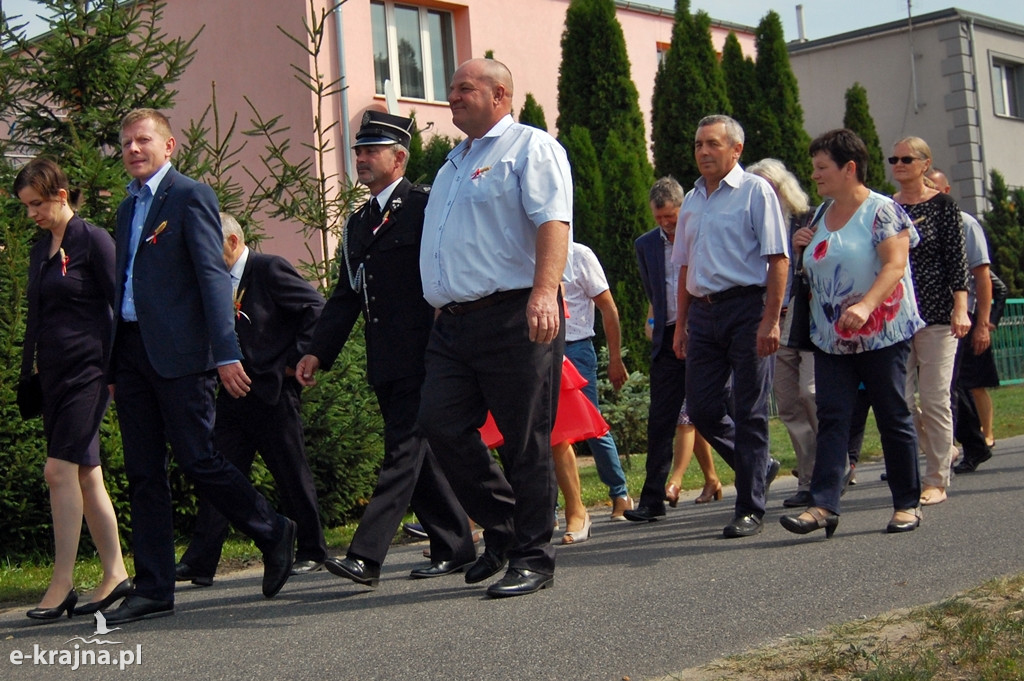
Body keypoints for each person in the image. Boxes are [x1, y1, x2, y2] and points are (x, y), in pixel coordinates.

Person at [105, 109, 296, 625]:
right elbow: (122, 287)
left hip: (182, 355)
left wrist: (226, 349)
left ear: (169, 147)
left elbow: (214, 278)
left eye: (143, 140)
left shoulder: (191, 196)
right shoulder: (127, 208)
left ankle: (272, 530)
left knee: (198, 459)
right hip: (131, 352)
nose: (133, 150)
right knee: (144, 473)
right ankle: (153, 588)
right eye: (126, 143)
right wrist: (112, 366)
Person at [296, 111, 475, 588]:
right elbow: (347, 294)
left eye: (371, 150)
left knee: (402, 451)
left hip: (428, 354)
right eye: (357, 151)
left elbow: (449, 274)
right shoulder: (359, 222)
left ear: (399, 157)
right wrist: (319, 352)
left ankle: (365, 555)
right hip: (386, 359)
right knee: (420, 457)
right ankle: (455, 545)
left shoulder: (425, 206)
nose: (361, 158)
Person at [417, 58, 572, 598]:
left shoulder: (531, 148)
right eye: (452, 87)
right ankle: (505, 531)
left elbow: (554, 222)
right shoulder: (452, 163)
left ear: (500, 94)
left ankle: (534, 557)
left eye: (465, 88)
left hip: (514, 315)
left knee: (524, 442)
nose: (452, 96)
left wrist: (545, 292)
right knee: (438, 425)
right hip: (454, 325)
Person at [779, 128, 925, 539]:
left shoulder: (882, 211)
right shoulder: (821, 214)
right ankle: (823, 505)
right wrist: (802, 245)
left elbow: (895, 266)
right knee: (833, 419)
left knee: (893, 415)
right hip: (831, 339)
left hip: (882, 332)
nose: (815, 175)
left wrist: (865, 305)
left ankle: (906, 504)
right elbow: (816, 268)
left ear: (850, 168)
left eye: (822, 168)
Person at [175, 214, 328, 586]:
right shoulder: (213, 283)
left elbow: (316, 306)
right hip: (233, 391)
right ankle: (201, 560)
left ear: (231, 242)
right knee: (221, 476)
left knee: (291, 471)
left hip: (272, 392)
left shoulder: (267, 268)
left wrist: (295, 360)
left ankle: (311, 549)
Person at [15, 159, 132, 621]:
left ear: (61, 195)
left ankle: (62, 583)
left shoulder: (93, 240)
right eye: (27, 207)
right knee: (86, 474)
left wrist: (118, 372)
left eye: (38, 204)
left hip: (90, 372)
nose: (32, 215)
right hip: (55, 377)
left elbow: (120, 306)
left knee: (57, 472)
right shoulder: (41, 247)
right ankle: (116, 573)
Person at [670, 116, 788, 538]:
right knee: (701, 407)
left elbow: (778, 258)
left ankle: (749, 507)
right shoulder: (693, 199)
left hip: (746, 308)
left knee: (750, 409)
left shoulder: (755, 192)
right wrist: (680, 325)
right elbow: (684, 266)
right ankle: (758, 465)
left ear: (736, 150)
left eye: (713, 144)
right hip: (703, 313)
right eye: (699, 144)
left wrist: (771, 319)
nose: (703, 152)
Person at [629, 177, 723, 523]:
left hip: (701, 333)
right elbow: (652, 290)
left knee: (711, 409)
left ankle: (755, 465)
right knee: (661, 420)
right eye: (660, 218)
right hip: (667, 338)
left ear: (683, 209)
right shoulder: (646, 245)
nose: (667, 224)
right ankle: (651, 500)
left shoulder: (700, 234)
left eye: (672, 216)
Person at [891, 138, 970, 505]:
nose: (899, 164)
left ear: (925, 164)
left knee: (936, 398)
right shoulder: (887, 207)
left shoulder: (943, 206)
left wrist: (961, 307)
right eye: (894, 159)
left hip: (937, 313)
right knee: (899, 400)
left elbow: (957, 259)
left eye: (907, 158)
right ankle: (943, 448)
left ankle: (936, 478)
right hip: (898, 316)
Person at [747, 159, 817, 509]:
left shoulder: (810, 220)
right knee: (788, 404)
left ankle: (832, 468)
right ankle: (808, 480)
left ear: (783, 188)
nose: (763, 195)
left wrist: (808, 246)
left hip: (808, 320)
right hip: (771, 321)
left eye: (769, 187)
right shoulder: (748, 225)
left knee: (812, 394)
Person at [926, 168, 998, 473]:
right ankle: (971, 445)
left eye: (931, 186)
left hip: (959, 315)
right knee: (950, 388)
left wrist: (983, 322)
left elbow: (983, 277)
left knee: (950, 387)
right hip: (926, 316)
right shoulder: (915, 220)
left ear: (945, 190)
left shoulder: (964, 223)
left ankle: (963, 448)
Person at [562, 242, 633, 521]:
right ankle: (554, 507)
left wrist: (615, 358)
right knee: (546, 433)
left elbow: (608, 308)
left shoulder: (580, 256)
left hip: (576, 348)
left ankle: (620, 494)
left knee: (591, 425)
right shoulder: (528, 253)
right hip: (542, 349)